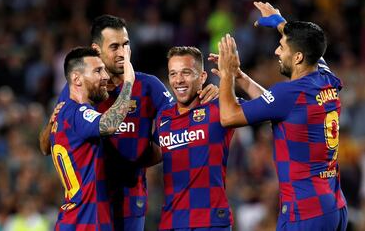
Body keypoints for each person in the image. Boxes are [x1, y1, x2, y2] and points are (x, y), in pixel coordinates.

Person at [39, 15, 218, 231]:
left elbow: (179, 127)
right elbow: (47, 145)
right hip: (91, 200)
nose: (122, 52)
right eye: (114, 46)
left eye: (126, 44)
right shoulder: (77, 93)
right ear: (97, 50)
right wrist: (51, 124)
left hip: (130, 198)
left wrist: (203, 97)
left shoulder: (148, 85)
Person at [216, 1, 347, 230]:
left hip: (304, 211)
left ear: (297, 57)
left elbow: (228, 116)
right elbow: (276, 105)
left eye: (281, 46)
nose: (276, 51)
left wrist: (226, 73)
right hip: (333, 205)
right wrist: (242, 77)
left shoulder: (288, 93)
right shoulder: (325, 77)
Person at [152, 46, 241, 231]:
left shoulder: (219, 106)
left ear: (202, 77)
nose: (178, 80)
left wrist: (237, 76)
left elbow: (269, 107)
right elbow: (151, 154)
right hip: (171, 222)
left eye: (186, 73)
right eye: (173, 74)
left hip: (211, 221)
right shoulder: (164, 115)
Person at [49, 46, 135, 230]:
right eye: (97, 71)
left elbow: (44, 146)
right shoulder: (78, 114)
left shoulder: (62, 113)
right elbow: (109, 124)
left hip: (73, 218)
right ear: (76, 78)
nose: (105, 76)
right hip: (84, 222)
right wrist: (128, 82)